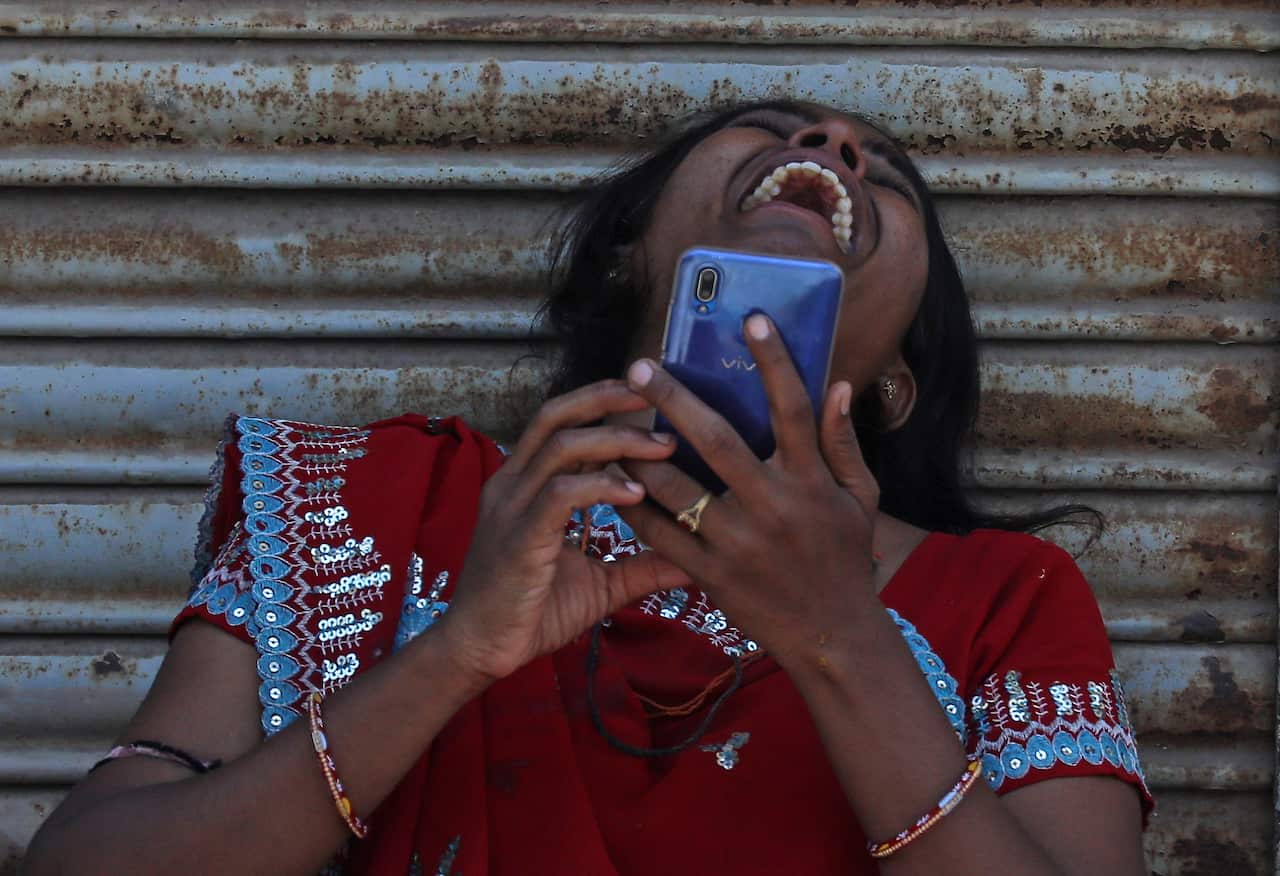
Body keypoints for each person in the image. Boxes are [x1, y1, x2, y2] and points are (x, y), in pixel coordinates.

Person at [24, 100, 1151, 875]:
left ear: (898, 374)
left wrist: (840, 639)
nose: (832, 144)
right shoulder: (377, 493)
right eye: (768, 130)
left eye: (885, 176)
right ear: (630, 251)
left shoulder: (1005, 598)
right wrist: (456, 655)